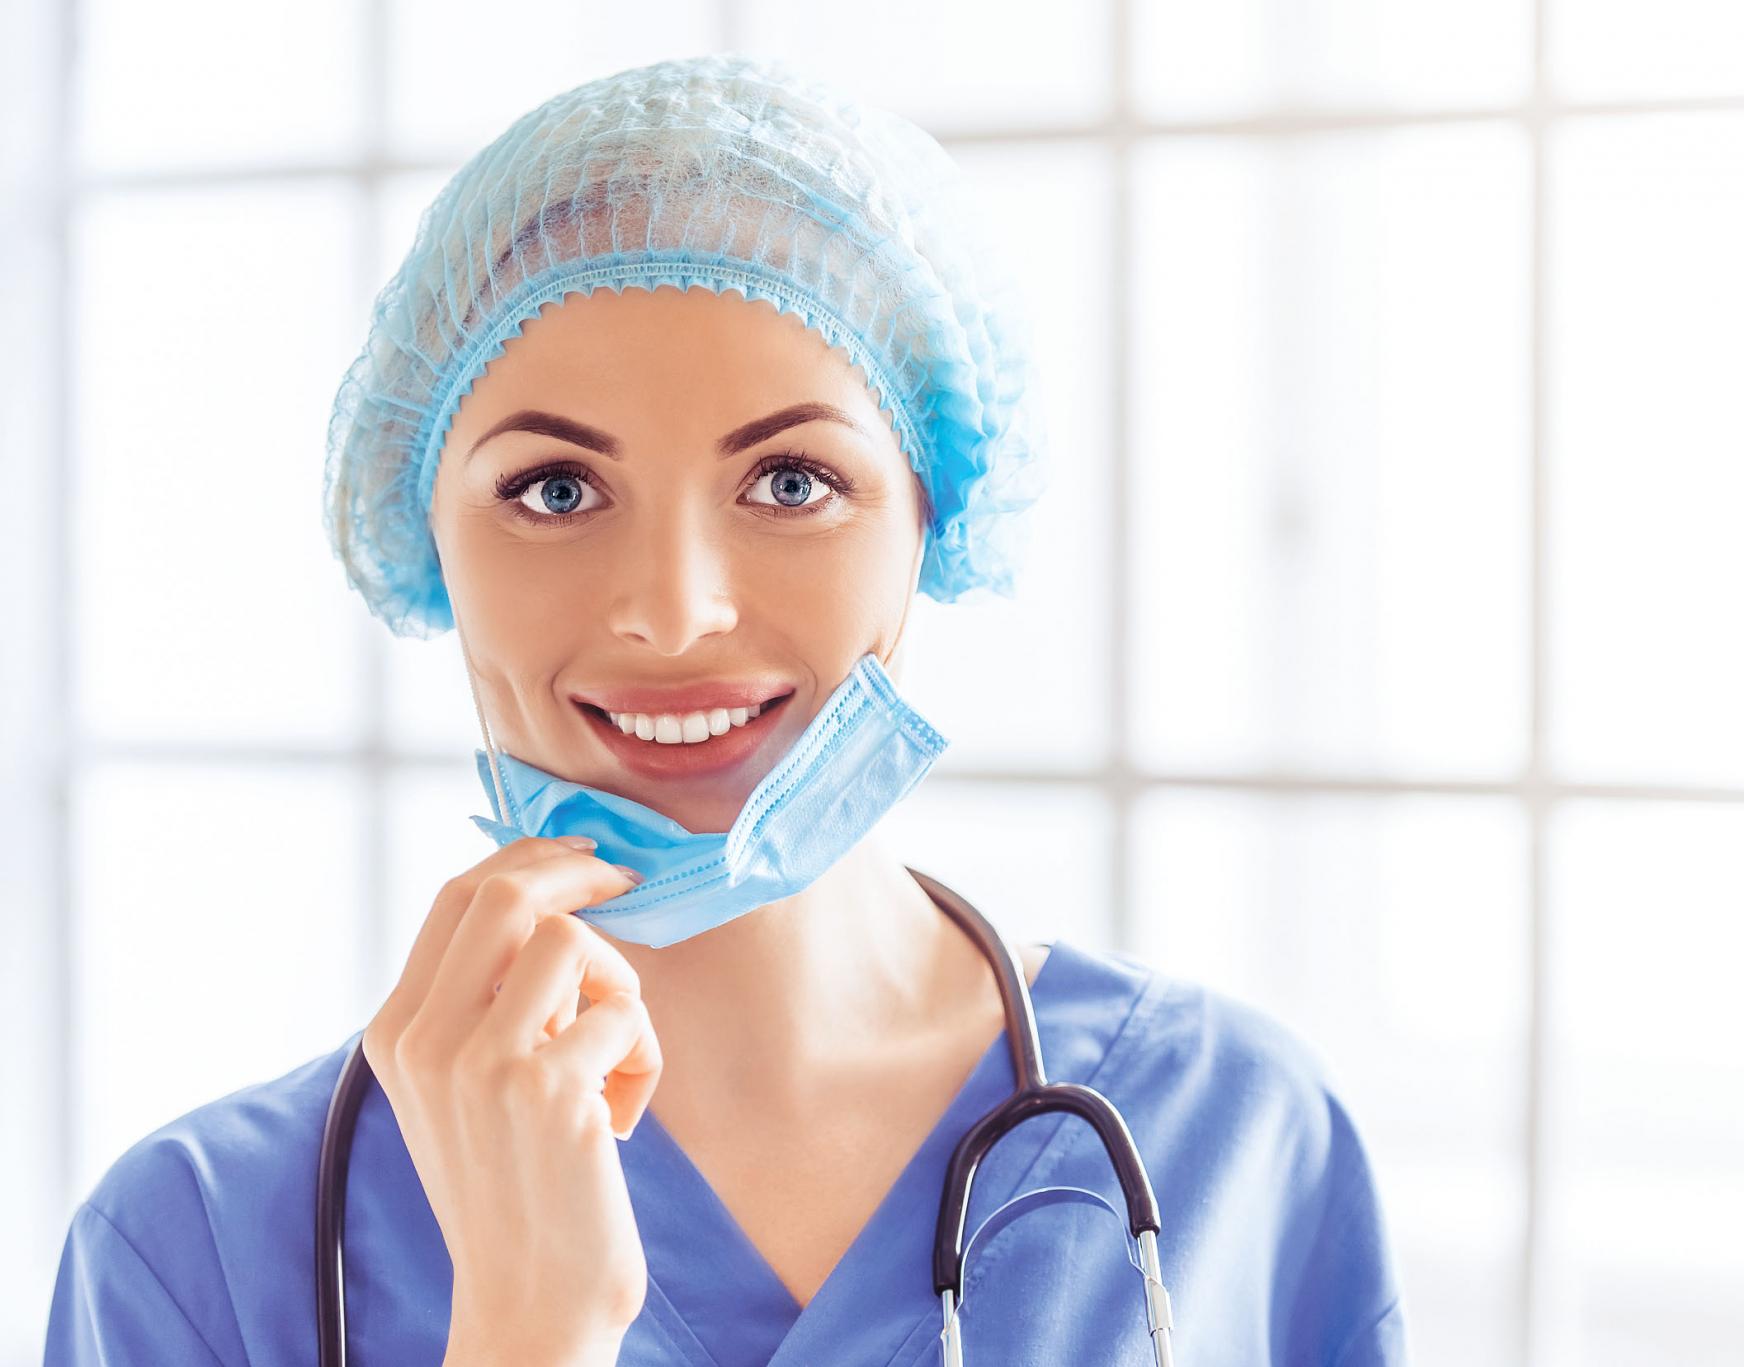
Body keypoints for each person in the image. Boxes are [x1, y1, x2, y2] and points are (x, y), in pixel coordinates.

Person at [42, 53, 1409, 1366]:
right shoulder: (198, 1253)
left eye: (792, 483)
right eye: (556, 491)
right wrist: (527, 1333)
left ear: (935, 507)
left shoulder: (1238, 1140)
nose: (675, 611)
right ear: (427, 539)